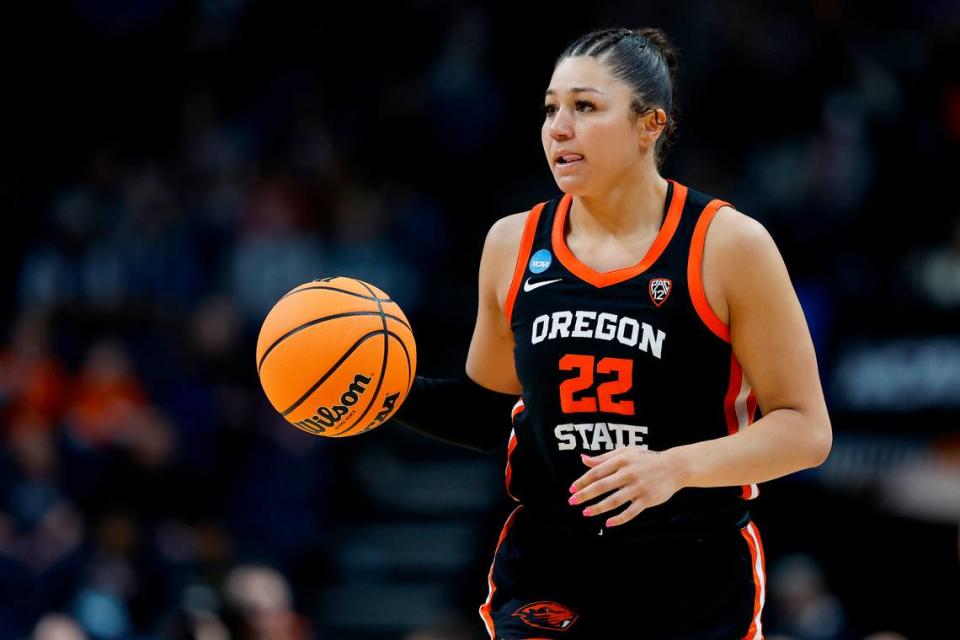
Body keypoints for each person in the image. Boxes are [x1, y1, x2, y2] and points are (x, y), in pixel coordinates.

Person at [393, 26, 832, 639]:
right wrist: (381, 394)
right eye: (550, 108)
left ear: (650, 125)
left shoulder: (728, 244)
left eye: (585, 107)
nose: (558, 127)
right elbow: (487, 410)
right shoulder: (511, 244)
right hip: (552, 561)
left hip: (692, 562)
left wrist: (672, 468)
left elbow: (805, 429)